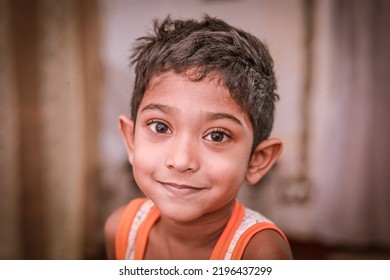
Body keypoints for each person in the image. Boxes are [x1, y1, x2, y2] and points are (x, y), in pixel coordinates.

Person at [104, 15, 293, 260]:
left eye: (216, 135)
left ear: (257, 160)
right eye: (160, 127)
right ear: (131, 140)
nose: (181, 161)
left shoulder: (261, 253)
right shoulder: (120, 230)